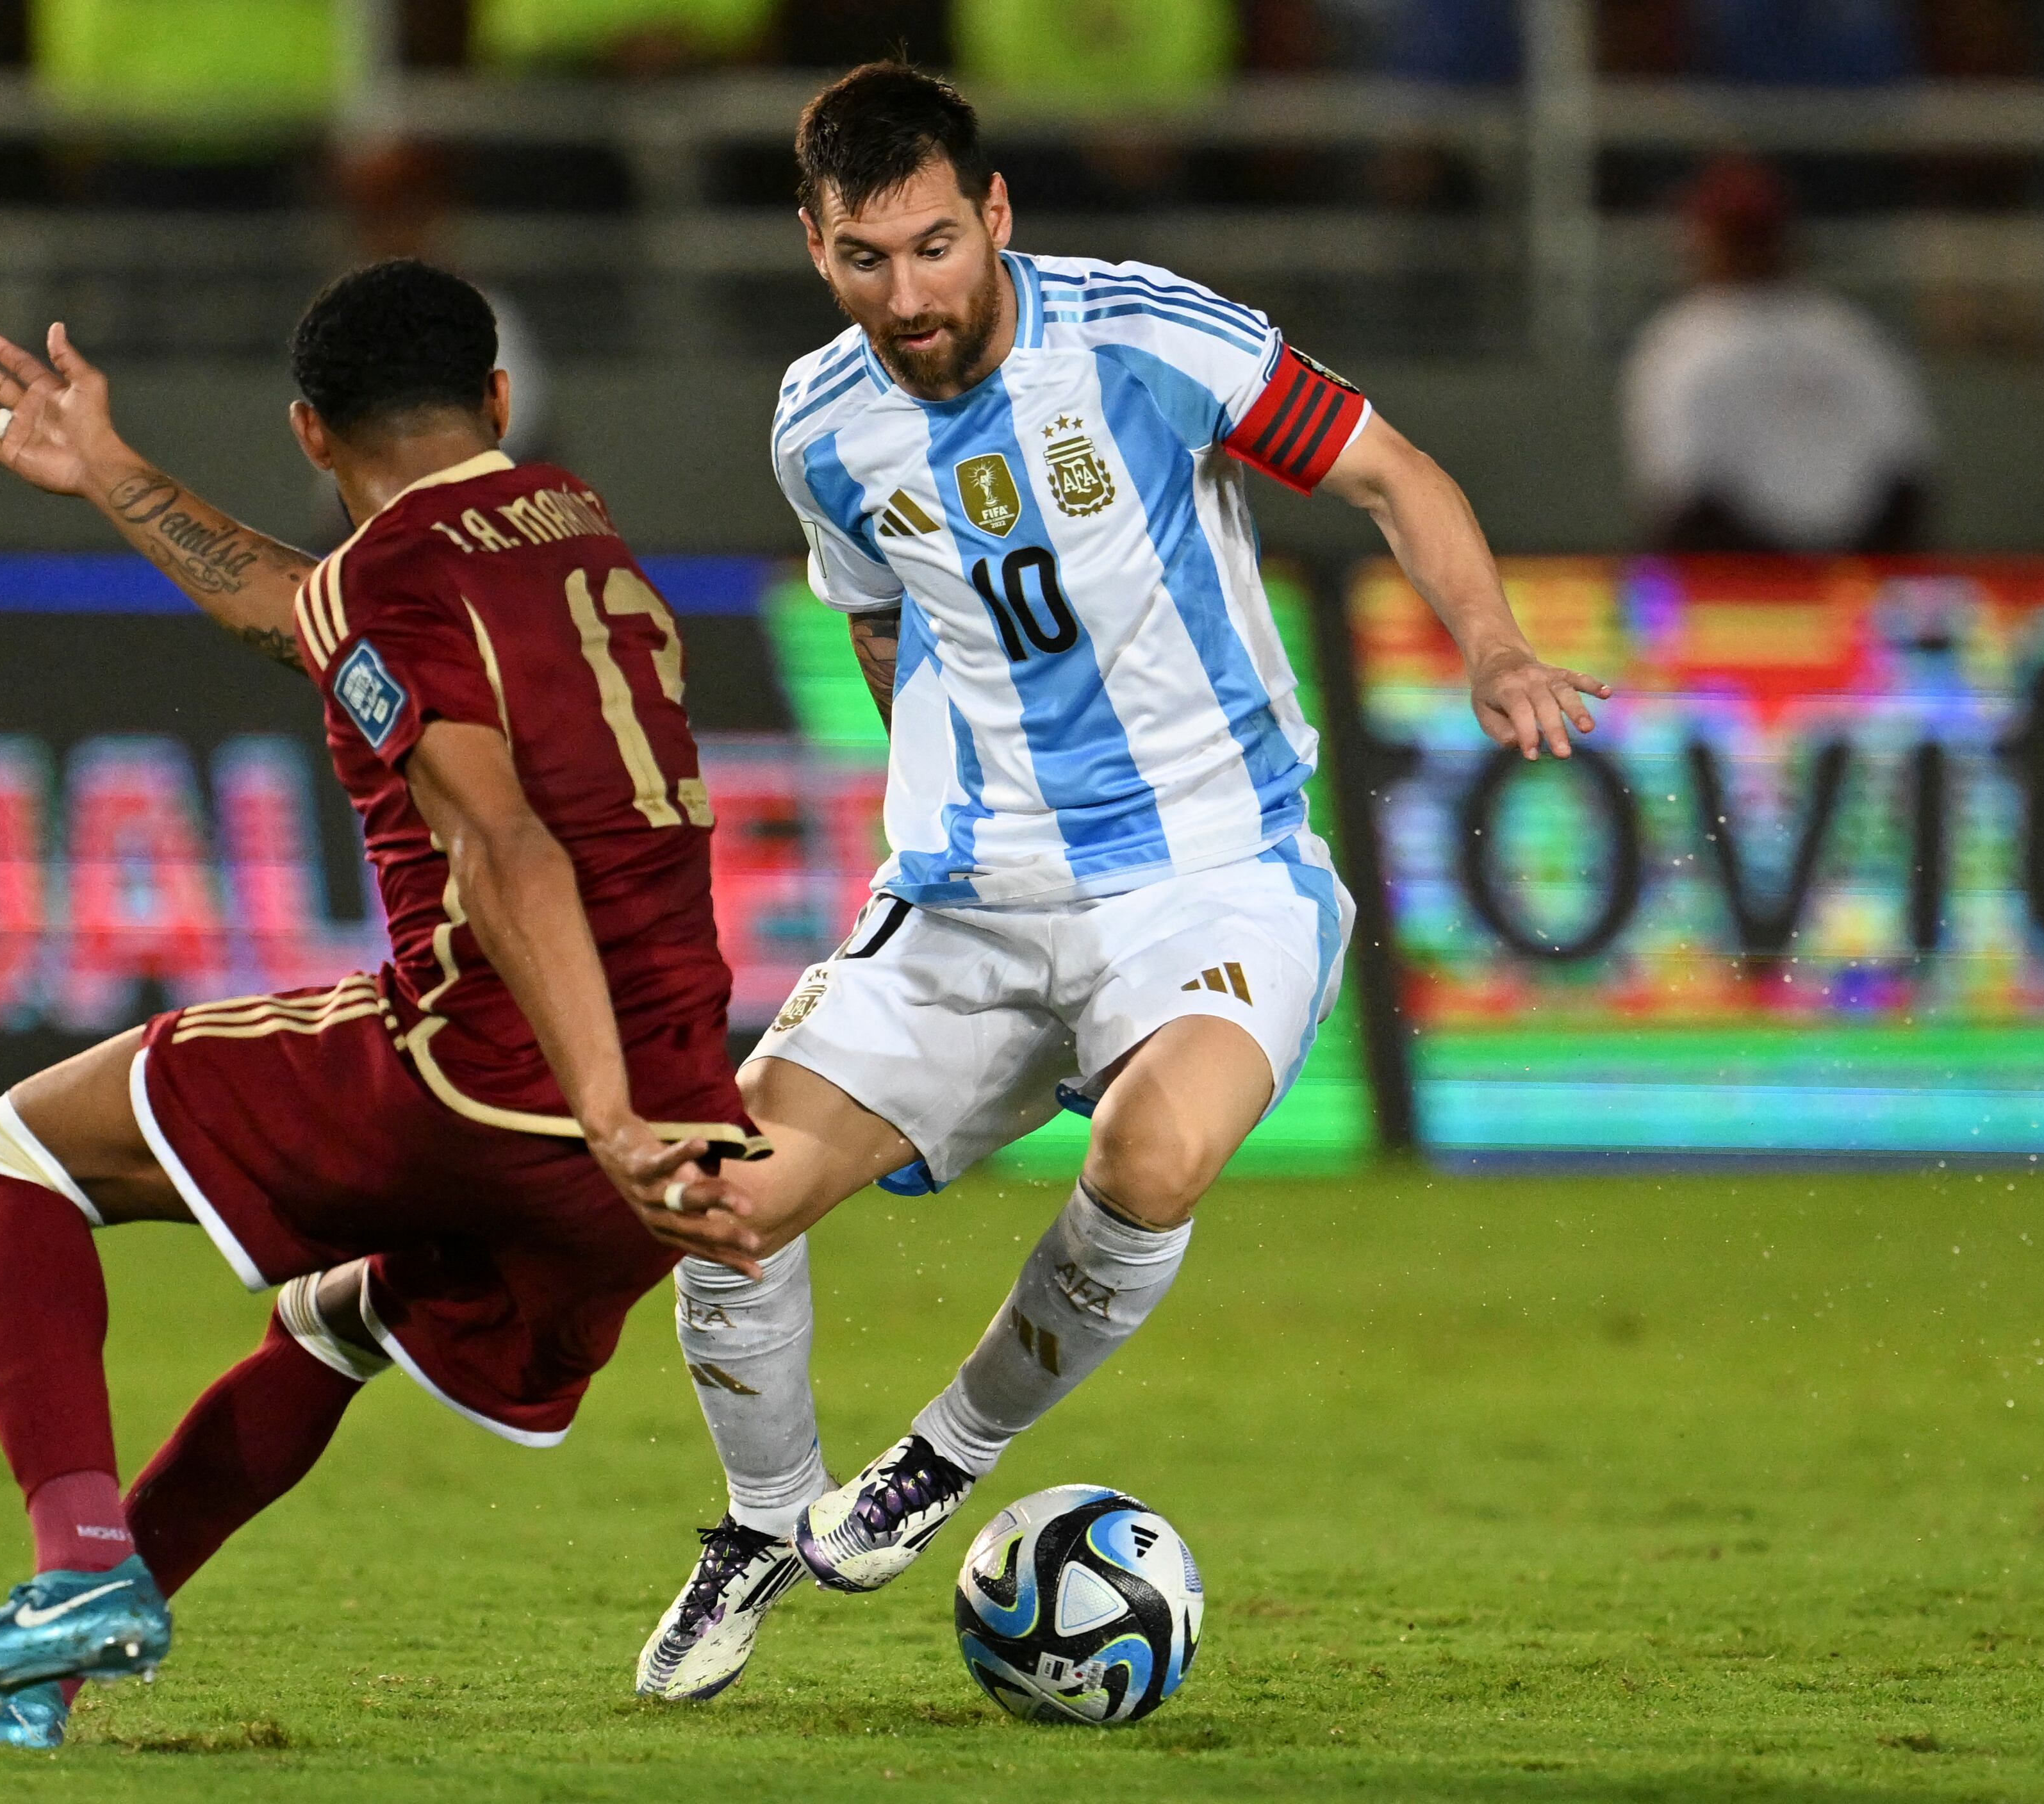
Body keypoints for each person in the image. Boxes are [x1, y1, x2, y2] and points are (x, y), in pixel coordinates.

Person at [628, 62, 1613, 1703]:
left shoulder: (1151, 339)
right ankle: (753, 1525)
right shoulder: (820, 421)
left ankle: (941, 1457)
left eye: (936, 247)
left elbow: (1389, 472)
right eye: (866, 260)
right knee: (719, 1198)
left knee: (1157, 1157)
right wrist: (943, 790)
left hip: (1212, 875)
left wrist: (1493, 646)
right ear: (814, 248)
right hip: (969, 892)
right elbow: (876, 613)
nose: (908, 294)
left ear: (994, 216)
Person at [0, 260, 768, 1746]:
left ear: (305, 433)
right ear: (495, 397)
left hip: (506, 1084)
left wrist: (595, 1114)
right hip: (677, 1122)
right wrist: (110, 471)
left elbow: (502, 843)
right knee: (334, 1326)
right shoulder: (572, 528)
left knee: (12, 1154)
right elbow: (314, 617)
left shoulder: (389, 585)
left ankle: (78, 1575)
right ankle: (45, 1684)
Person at [1620, 153, 1935, 552]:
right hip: (1808, 576)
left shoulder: (1682, 344)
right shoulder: (1847, 332)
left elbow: (1907, 477)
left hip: (1774, 584)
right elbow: (1685, 503)